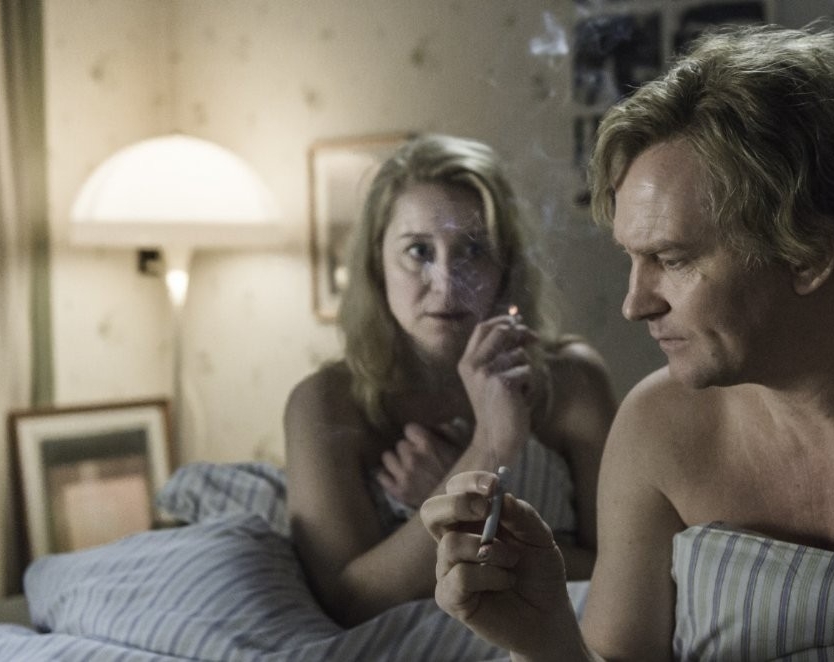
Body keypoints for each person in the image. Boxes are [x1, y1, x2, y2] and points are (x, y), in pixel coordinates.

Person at [421, 23, 834, 661]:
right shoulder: (657, 428)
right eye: (632, 259)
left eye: (672, 258)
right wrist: (545, 636)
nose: (635, 304)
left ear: (807, 253)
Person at [284, 134, 617, 627]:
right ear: (377, 262)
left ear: (504, 264)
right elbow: (348, 603)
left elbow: (624, 570)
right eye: (418, 250)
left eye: (473, 250)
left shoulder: (572, 380)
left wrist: (463, 516)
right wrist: (489, 446)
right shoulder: (325, 403)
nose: (445, 282)